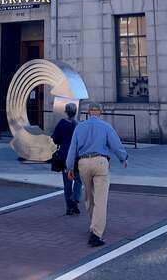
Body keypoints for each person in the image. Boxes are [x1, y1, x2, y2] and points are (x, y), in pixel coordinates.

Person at [66, 101, 128, 247]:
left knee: (89, 196)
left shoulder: (80, 127)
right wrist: (123, 158)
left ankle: (93, 225)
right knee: (101, 199)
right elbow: (115, 144)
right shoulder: (106, 127)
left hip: (83, 163)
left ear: (88, 112)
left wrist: (69, 168)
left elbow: (72, 148)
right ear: (100, 112)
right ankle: (96, 233)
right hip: (100, 162)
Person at [52, 102, 82, 215]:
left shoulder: (62, 123)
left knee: (67, 182)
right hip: (76, 156)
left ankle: (69, 206)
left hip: (65, 155)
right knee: (78, 179)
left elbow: (55, 139)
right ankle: (75, 198)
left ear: (66, 111)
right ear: (75, 112)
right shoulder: (78, 125)